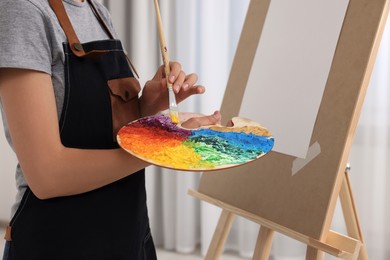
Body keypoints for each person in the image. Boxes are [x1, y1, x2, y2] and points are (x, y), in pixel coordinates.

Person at [0, 0, 221, 259]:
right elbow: (47, 176)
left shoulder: (97, 11)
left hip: (129, 235)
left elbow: (106, 133)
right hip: (58, 242)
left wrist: (147, 105)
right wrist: (162, 145)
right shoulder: (23, 10)